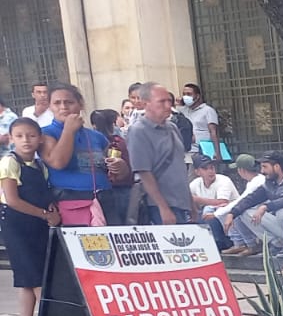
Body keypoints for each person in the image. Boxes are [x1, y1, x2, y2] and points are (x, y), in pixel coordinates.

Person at [0, 118, 58, 316]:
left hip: (37, 225)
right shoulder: (8, 163)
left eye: (31, 135)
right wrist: (45, 214)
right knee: (36, 278)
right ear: (12, 138)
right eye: (20, 136)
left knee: (28, 280)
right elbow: (13, 200)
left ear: (40, 138)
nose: (26, 140)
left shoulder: (40, 165)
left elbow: (43, 192)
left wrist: (51, 207)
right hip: (17, 225)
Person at [40, 84, 121, 226]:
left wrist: (120, 166)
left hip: (104, 198)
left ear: (80, 104)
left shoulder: (97, 136)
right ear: (50, 107)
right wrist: (68, 130)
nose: (63, 107)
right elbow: (58, 162)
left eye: (69, 102)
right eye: (57, 103)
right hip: (72, 200)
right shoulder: (46, 133)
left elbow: (114, 170)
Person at [219, 151, 283, 267]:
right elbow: (250, 199)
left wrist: (266, 207)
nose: (262, 171)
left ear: (277, 167)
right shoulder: (269, 183)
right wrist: (232, 213)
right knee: (246, 212)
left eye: (265, 167)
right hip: (281, 227)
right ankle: (278, 244)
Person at [125, 84, 191, 225]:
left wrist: (191, 202)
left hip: (181, 202)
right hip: (158, 205)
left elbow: (180, 167)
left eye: (169, 101)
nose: (167, 106)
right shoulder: (138, 131)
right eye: (161, 102)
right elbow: (144, 173)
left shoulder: (172, 128)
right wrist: (163, 208)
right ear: (145, 103)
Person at [88, 109, 132, 226]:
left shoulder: (95, 143)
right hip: (124, 188)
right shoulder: (119, 141)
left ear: (93, 125)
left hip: (107, 190)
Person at [189, 154, 238, 220]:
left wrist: (197, 199)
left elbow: (223, 202)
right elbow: (187, 198)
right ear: (197, 172)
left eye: (212, 167)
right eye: (205, 169)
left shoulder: (224, 180)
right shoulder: (196, 183)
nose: (210, 171)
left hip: (233, 216)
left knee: (208, 210)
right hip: (214, 216)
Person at [179, 82, 221, 155]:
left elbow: (213, 132)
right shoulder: (182, 111)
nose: (185, 97)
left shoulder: (208, 110)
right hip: (186, 151)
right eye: (184, 94)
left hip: (202, 151)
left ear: (197, 96)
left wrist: (217, 152)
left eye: (189, 94)